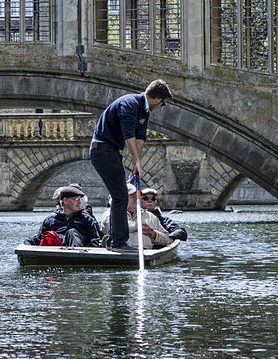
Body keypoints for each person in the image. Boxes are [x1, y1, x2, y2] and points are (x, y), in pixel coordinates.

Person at [89, 79, 173, 251]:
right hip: (102, 149)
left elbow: (140, 136)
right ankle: (118, 243)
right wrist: (135, 160)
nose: (161, 106)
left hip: (112, 152)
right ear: (158, 99)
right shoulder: (129, 104)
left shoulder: (144, 111)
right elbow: (129, 137)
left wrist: (138, 161)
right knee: (120, 196)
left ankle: (117, 241)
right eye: (163, 103)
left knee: (119, 195)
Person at [24, 185, 102, 247]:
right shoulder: (50, 220)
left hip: (80, 252)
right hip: (56, 252)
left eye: (80, 199)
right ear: (65, 201)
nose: (79, 203)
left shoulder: (87, 219)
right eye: (76, 199)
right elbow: (38, 239)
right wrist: (27, 243)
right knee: (51, 235)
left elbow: (93, 241)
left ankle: (74, 256)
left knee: (72, 232)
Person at [101, 184, 170, 249]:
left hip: (146, 252)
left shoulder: (150, 217)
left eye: (138, 196)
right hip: (120, 252)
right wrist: (138, 226)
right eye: (132, 196)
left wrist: (154, 234)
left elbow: (166, 238)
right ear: (122, 198)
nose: (136, 199)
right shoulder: (110, 213)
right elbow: (111, 226)